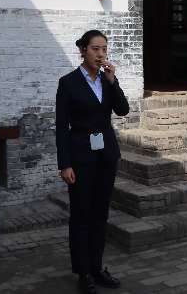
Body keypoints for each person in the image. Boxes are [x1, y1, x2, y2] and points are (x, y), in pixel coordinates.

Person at [56, 30, 130, 293]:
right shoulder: (68, 83)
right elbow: (61, 127)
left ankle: (97, 267)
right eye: (95, 49)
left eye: (104, 49)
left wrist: (113, 81)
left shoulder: (106, 80)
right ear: (83, 50)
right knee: (81, 215)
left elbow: (123, 110)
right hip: (80, 158)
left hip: (106, 156)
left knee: (100, 214)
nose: (100, 54)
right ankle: (83, 272)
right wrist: (65, 164)